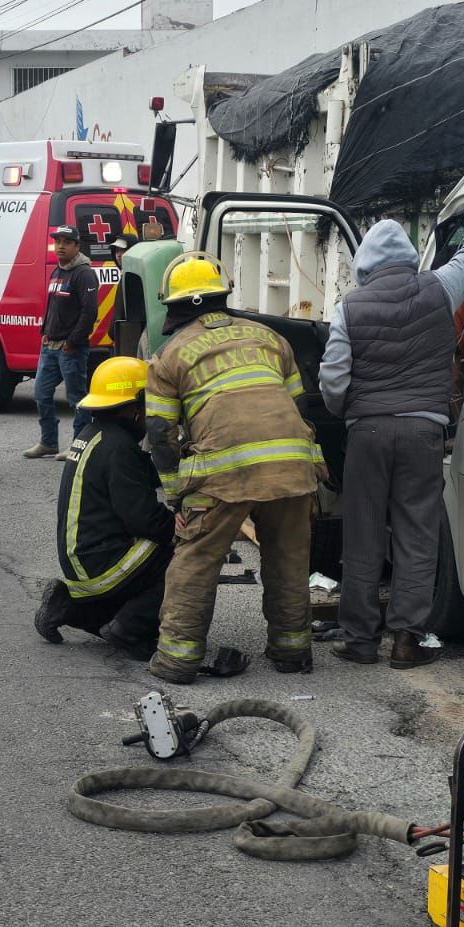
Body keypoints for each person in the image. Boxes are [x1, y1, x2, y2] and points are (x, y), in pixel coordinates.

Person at [318, 141, 464, 669]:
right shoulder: (440, 287)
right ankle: (406, 640)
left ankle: (360, 640)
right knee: (417, 536)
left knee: (362, 536)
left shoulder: (350, 308)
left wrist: (347, 411)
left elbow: (333, 379)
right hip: (424, 432)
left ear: (366, 264)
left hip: (368, 433)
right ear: (407, 255)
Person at [146, 253, 325, 685]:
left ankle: (177, 659)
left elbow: (159, 433)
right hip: (291, 467)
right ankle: (291, 651)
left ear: (176, 307)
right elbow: (299, 406)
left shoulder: (168, 356)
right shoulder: (271, 338)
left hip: (223, 473)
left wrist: (175, 494)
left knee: (196, 561)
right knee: (289, 559)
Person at [34, 356, 174, 659]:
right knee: (184, 554)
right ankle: (130, 628)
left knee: (148, 561)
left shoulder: (95, 435)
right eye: (147, 405)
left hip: (84, 561)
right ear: (133, 407)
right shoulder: (119, 448)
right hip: (100, 564)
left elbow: (140, 479)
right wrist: (181, 526)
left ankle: (67, 606)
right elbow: (144, 519)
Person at [24, 224, 99, 461]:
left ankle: (79, 445)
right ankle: (48, 442)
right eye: (58, 241)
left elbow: (89, 312)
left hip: (71, 349)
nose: (60, 246)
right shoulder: (58, 271)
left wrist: (73, 341)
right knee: (41, 394)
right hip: (50, 346)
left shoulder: (84, 273)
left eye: (66, 242)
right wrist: (45, 331)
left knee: (77, 399)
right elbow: (53, 306)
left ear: (77, 246)